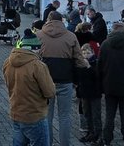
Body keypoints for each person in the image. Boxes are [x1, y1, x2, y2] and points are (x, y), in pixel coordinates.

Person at [37, 11, 90, 146]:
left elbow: (34, 58)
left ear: (48, 20)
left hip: (45, 80)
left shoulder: (39, 35)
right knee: (64, 116)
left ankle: (47, 143)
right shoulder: (71, 36)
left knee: (47, 116)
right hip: (65, 80)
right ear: (62, 20)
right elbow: (78, 59)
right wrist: (87, 65)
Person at [4, 28, 56, 146]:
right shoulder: (38, 66)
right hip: (34, 115)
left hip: (16, 112)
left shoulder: (8, 62)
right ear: (35, 48)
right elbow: (50, 92)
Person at [98, 20, 124, 146]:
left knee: (109, 114)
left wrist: (101, 84)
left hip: (109, 85)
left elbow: (100, 66)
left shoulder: (105, 44)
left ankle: (107, 139)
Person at [77, 43, 102, 144]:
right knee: (87, 113)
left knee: (96, 115)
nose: (86, 55)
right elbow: (78, 79)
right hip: (84, 93)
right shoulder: (80, 64)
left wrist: (89, 67)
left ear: (92, 53)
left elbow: (98, 77)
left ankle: (98, 135)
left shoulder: (96, 63)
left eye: (88, 53)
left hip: (95, 93)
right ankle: (90, 132)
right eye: (84, 53)